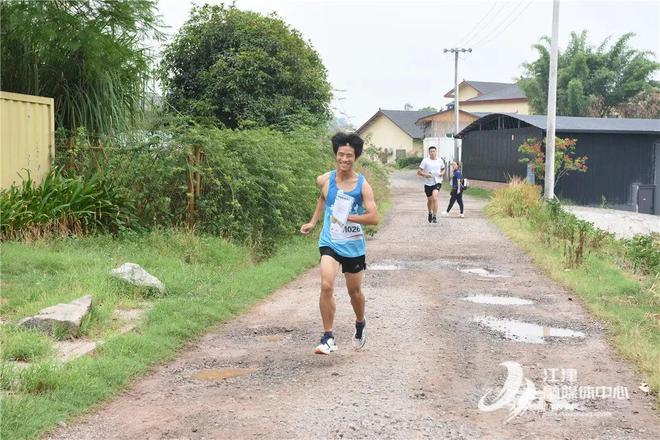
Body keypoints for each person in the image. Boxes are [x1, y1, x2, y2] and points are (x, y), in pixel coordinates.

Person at [300, 132, 378, 355]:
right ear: (336, 155)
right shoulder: (326, 179)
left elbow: (373, 217)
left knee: (355, 292)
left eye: (349, 156)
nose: (344, 159)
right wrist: (313, 222)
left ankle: (360, 322)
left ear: (356, 157)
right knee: (326, 285)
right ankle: (328, 337)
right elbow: (324, 198)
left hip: (353, 246)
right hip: (330, 242)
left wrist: (350, 217)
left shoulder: (362, 186)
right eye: (341, 155)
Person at [417, 146, 445, 223]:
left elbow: (443, 169)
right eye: (431, 151)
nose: (432, 153)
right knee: (430, 200)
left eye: (434, 151)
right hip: (428, 183)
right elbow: (419, 172)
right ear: (429, 153)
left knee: (435, 198)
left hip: (437, 182)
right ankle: (430, 213)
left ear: (436, 152)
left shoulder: (440, 161)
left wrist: (442, 173)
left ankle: (435, 216)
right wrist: (426, 175)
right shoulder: (425, 161)